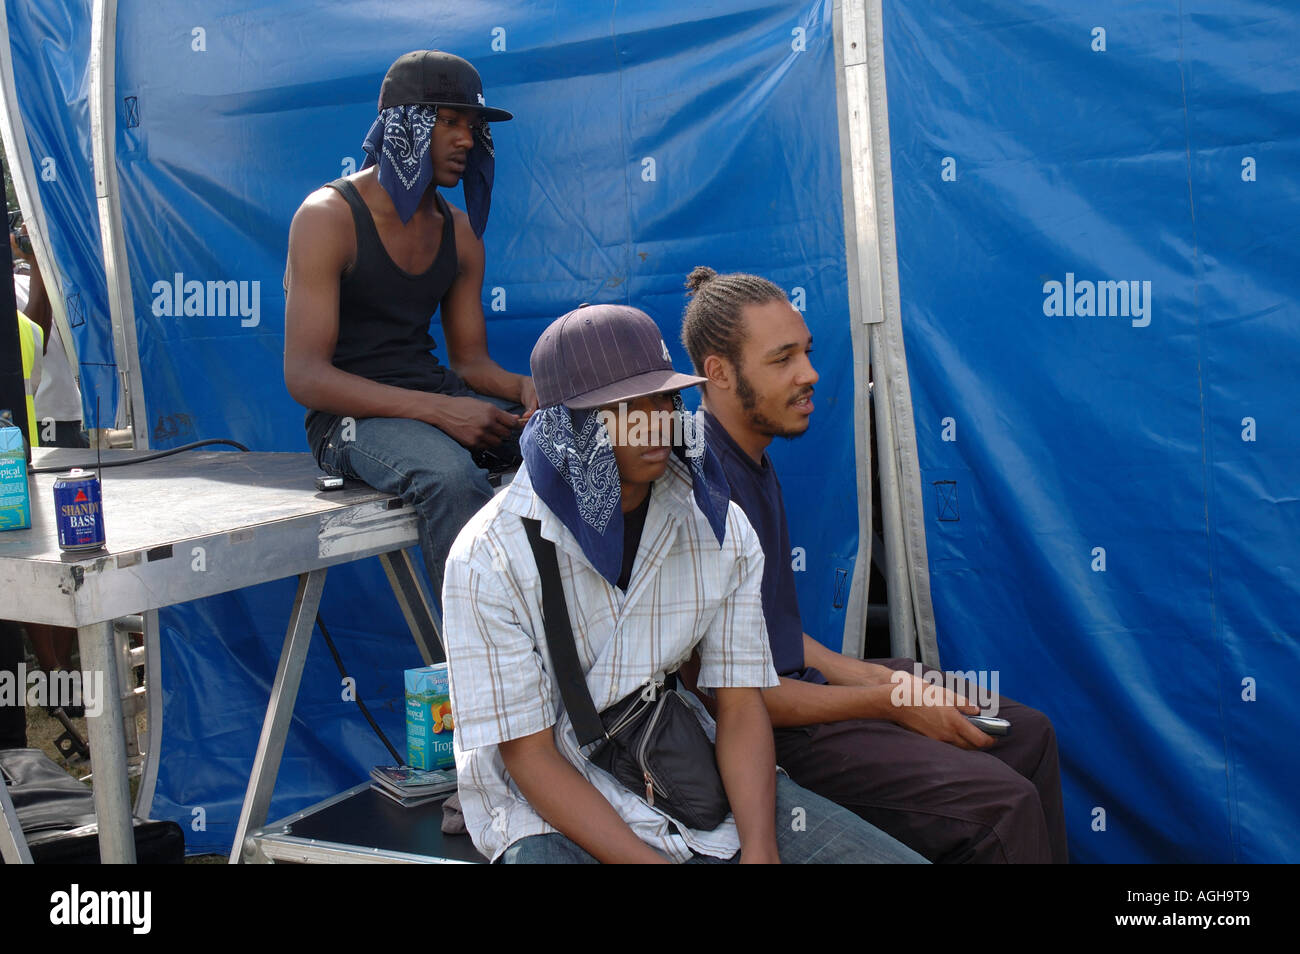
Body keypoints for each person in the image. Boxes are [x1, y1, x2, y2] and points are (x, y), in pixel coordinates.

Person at [441, 303, 926, 864]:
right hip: (550, 801)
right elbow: (530, 759)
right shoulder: (489, 556)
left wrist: (763, 850)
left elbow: (740, 703)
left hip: (680, 767)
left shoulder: (715, 522)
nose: (658, 421)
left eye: (666, 398)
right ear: (565, 427)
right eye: (626, 407)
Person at [680, 266, 1069, 864]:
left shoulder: (752, 457)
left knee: (1027, 732)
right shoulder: (702, 490)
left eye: (806, 352)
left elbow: (774, 634)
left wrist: (880, 678)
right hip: (771, 732)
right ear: (719, 373)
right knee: (1002, 806)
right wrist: (889, 701)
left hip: (800, 693)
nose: (810, 374)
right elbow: (736, 698)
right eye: (783, 359)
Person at [283, 50, 537, 607]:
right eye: (449, 122)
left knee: (560, 451)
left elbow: (470, 363)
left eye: (472, 126)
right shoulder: (327, 217)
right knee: (451, 479)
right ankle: (481, 666)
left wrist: (523, 387)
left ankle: (559, 644)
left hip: (430, 397)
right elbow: (305, 377)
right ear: (403, 127)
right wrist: (441, 410)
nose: (467, 139)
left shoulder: (462, 234)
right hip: (346, 421)